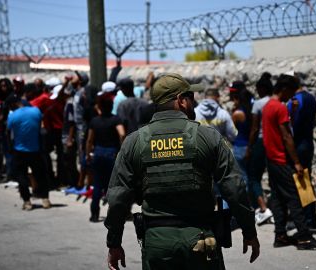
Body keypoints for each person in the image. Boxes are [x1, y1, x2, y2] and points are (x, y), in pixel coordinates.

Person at [104, 73, 260, 270]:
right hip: (201, 240)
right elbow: (235, 188)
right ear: (181, 101)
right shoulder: (208, 137)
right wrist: (249, 231)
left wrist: (114, 242)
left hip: (157, 243)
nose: (194, 103)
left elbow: (118, 197)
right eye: (191, 98)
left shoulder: (134, 142)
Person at [262, 74, 316, 250]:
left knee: (278, 198)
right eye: (290, 92)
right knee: (295, 198)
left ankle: (280, 235)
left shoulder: (268, 106)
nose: (292, 96)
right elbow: (287, 137)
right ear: (284, 89)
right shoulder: (280, 107)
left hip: (271, 160)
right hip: (282, 160)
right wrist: (297, 162)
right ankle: (304, 237)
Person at [6, 94, 51, 211]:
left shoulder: (12, 116)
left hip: (19, 151)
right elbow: (40, 126)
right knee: (41, 175)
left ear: (13, 105)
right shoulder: (36, 111)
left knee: (21, 177)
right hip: (36, 150)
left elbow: (9, 132)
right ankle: (45, 199)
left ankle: (27, 202)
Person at [86, 92, 125, 222]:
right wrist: (122, 149)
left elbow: (90, 140)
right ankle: (115, 213)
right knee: (113, 186)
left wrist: (87, 154)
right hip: (111, 154)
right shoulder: (115, 119)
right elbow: (122, 133)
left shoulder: (94, 121)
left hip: (98, 153)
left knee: (97, 185)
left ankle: (94, 214)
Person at [287, 74, 316, 229]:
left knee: (300, 182)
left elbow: (292, 125)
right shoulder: (311, 98)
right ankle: (310, 217)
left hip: (298, 144)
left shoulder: (295, 101)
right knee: (306, 180)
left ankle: (306, 219)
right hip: (308, 142)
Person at [246, 72, 273, 225]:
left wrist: (249, 147)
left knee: (253, 177)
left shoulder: (258, 104)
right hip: (275, 143)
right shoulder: (277, 102)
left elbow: (255, 128)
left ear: (262, 89)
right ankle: (276, 210)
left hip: (261, 143)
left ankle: (263, 209)